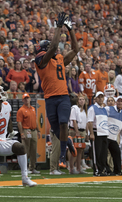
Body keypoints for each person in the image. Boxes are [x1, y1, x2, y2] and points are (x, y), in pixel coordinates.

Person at [35, 12, 79, 164]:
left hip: (63, 96)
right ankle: (68, 142)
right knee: (56, 129)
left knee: (63, 123)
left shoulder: (59, 60)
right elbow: (53, 47)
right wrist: (59, 27)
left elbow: (75, 49)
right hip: (49, 98)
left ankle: (62, 156)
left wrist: (71, 29)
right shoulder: (41, 60)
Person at [17, 93, 41, 174]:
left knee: (33, 150)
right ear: (23, 100)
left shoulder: (33, 109)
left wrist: (38, 130)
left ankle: (32, 167)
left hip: (33, 131)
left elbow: (35, 120)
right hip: (26, 130)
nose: (26, 100)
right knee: (25, 150)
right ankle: (25, 168)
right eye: (25, 98)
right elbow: (19, 123)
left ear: (30, 99)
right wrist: (22, 133)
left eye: (27, 98)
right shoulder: (21, 110)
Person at [87, 91, 109, 176]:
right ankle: (97, 170)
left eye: (101, 97)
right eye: (98, 97)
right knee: (97, 152)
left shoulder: (104, 109)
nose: (100, 99)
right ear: (95, 99)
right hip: (96, 132)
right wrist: (91, 133)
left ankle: (102, 169)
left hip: (103, 132)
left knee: (103, 153)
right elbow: (89, 122)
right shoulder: (92, 108)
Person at [105, 96, 122, 175]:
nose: (120, 103)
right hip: (106, 135)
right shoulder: (108, 109)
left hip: (114, 137)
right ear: (116, 102)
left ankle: (117, 170)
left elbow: (121, 125)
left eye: (121, 101)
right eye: (118, 101)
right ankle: (107, 170)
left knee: (116, 152)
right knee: (104, 154)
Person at [68, 94, 88, 174]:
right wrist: (76, 131)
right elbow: (74, 120)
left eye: (83, 99)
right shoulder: (74, 108)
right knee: (73, 149)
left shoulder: (85, 111)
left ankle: (79, 167)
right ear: (77, 101)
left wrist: (86, 133)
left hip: (82, 131)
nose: (81, 101)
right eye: (80, 99)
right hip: (74, 130)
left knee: (80, 150)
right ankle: (71, 167)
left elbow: (86, 122)